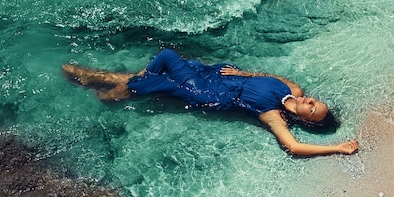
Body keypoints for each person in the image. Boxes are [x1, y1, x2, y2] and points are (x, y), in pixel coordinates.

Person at [63, 49, 359, 157]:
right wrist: (243, 73)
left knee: (166, 57)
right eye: (315, 101)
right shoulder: (292, 87)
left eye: (311, 108)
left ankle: (112, 87)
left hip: (207, 94)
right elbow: (264, 76)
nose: (309, 100)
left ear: (306, 119)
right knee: (166, 69)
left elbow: (292, 147)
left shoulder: (273, 116)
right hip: (219, 75)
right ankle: (112, 87)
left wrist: (336, 148)